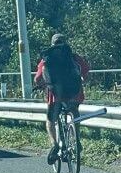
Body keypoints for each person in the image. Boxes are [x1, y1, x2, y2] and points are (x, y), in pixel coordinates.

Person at [34, 34, 89, 163]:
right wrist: (82, 80)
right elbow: (85, 72)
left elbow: (38, 78)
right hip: (73, 93)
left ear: (52, 44)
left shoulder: (47, 58)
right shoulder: (73, 57)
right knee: (75, 114)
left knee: (50, 121)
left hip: (55, 96)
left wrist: (42, 85)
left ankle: (54, 144)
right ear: (65, 43)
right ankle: (76, 139)